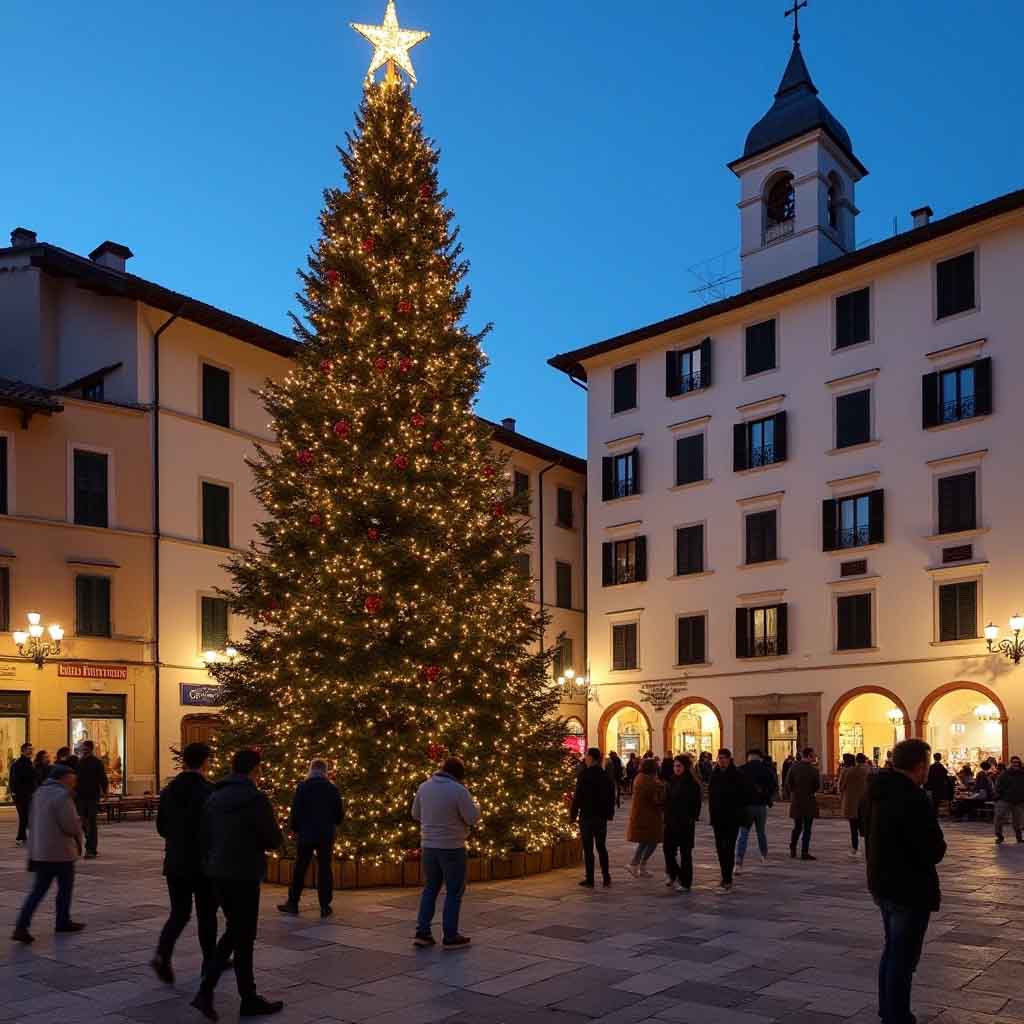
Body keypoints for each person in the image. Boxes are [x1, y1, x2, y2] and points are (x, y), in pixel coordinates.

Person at [191, 749, 284, 1020]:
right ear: (255, 770)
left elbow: (204, 835)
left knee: (237, 932)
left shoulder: (215, 796)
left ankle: (223, 993)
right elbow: (273, 838)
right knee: (243, 935)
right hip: (244, 873)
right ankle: (234, 996)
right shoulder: (256, 799)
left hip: (218, 873)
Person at [860, 739, 946, 1024]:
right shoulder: (913, 798)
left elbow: (863, 829)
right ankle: (897, 1016)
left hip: (881, 882)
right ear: (920, 766)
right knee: (904, 957)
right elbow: (933, 849)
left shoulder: (874, 790)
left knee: (892, 951)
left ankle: (889, 1010)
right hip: (909, 886)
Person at [151, 741, 217, 986]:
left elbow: (161, 827)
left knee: (179, 912)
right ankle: (209, 961)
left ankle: (163, 954)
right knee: (207, 913)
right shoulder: (209, 791)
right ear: (205, 762)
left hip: (176, 860)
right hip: (202, 862)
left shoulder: (169, 790)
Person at [412, 756, 481, 950]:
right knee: (454, 891)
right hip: (452, 846)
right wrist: (478, 807)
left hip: (428, 846)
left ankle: (422, 932)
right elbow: (472, 818)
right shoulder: (459, 790)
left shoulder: (424, 787)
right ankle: (450, 935)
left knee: (430, 888)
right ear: (459, 774)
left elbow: (415, 814)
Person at [11, 764, 85, 942]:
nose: (74, 782)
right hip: (60, 852)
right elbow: (69, 825)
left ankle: (21, 926)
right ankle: (62, 921)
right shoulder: (62, 795)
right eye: (72, 778)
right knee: (65, 889)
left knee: (37, 891)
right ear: (64, 778)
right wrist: (79, 825)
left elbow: (30, 821)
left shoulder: (38, 793)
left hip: (41, 852)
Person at [278, 759, 345, 916]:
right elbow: (339, 814)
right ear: (325, 771)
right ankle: (324, 905)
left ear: (311, 770)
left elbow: (295, 811)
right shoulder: (332, 789)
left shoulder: (303, 787)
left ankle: (293, 902)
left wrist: (294, 828)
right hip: (325, 834)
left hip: (306, 833)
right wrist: (332, 823)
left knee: (300, 867)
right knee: (325, 869)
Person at [570, 747, 615, 888]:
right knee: (601, 847)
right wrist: (609, 813)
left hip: (587, 816)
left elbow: (577, 797)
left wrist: (573, 815)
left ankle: (590, 879)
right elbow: (611, 797)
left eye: (586, 756)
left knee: (588, 849)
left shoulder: (584, 775)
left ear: (591, 758)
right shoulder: (604, 775)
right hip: (600, 816)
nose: (585, 758)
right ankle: (606, 877)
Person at [708, 749, 751, 891]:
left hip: (732, 817)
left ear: (729, 759)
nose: (721, 761)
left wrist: (740, 815)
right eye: (719, 758)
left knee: (729, 847)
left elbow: (744, 796)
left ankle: (727, 878)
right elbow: (712, 797)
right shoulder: (715, 774)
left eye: (724, 758)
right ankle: (724, 875)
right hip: (718, 818)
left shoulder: (737, 775)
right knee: (720, 848)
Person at [663, 754, 702, 892]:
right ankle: (675, 874)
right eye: (675, 766)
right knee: (668, 850)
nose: (676, 768)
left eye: (679, 766)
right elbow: (666, 801)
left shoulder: (692, 783)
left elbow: (696, 803)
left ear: (685, 767)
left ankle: (686, 882)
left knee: (685, 853)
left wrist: (692, 817)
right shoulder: (671, 781)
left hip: (685, 823)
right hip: (671, 822)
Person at [735, 748, 774, 871]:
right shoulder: (767, 770)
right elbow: (773, 786)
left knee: (743, 834)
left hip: (746, 806)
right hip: (761, 805)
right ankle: (764, 855)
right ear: (760, 757)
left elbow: (736, 788)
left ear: (748, 757)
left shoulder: (741, 769)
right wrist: (766, 795)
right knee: (761, 832)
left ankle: (739, 862)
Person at [625, 758, 662, 877]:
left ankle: (637, 865)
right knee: (653, 840)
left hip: (643, 814)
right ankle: (637, 864)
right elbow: (656, 798)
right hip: (648, 815)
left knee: (646, 840)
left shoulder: (640, 778)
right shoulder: (648, 781)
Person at [75, 739, 109, 859]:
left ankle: (91, 849)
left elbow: (102, 778)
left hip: (92, 796)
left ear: (89, 748)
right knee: (84, 822)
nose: (83, 749)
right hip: (80, 796)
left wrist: (105, 792)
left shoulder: (96, 762)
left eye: (85, 747)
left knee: (91, 822)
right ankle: (89, 842)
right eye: (83, 747)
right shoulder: (80, 761)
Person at [785, 747, 820, 860]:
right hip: (809, 801)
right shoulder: (813, 770)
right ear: (809, 756)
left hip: (797, 801)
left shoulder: (794, 767)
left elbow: (788, 783)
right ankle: (804, 851)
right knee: (807, 828)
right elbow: (816, 786)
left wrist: (794, 793)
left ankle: (793, 848)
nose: (815, 757)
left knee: (797, 827)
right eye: (813, 755)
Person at [839, 753, 872, 857]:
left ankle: (855, 849)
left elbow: (841, 786)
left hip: (852, 803)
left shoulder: (849, 771)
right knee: (866, 828)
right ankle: (868, 850)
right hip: (865, 803)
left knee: (853, 828)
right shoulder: (869, 770)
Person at [9, 742, 37, 847]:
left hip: (28, 794)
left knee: (26, 816)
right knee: (24, 816)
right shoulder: (18, 764)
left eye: (31, 749)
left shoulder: (29, 763)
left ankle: (22, 837)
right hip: (22, 795)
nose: (31, 751)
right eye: (28, 749)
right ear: (23, 751)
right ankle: (21, 837)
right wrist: (14, 793)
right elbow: (14, 780)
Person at [994, 755, 1024, 844]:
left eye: (1017, 762)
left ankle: (1019, 837)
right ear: (1011, 763)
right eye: (1014, 762)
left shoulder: (1022, 774)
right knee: (999, 817)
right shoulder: (1004, 774)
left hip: (1018, 801)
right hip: (1005, 800)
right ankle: (999, 835)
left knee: (1018, 821)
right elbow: (998, 786)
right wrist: (1000, 795)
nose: (1016, 764)